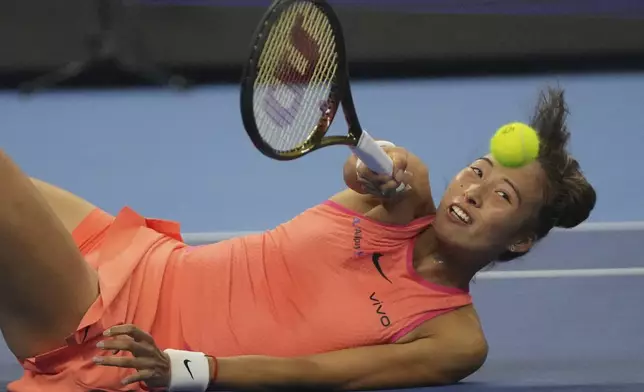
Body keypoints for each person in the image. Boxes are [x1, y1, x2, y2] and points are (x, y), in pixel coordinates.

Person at [2, 87, 595, 392]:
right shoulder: (404, 194)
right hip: (143, 256)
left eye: (503, 198)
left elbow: (323, 374)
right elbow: (370, 168)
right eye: (479, 170)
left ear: (519, 242)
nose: (474, 189)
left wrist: (186, 371)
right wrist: (371, 166)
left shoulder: (454, 336)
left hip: (124, 333)